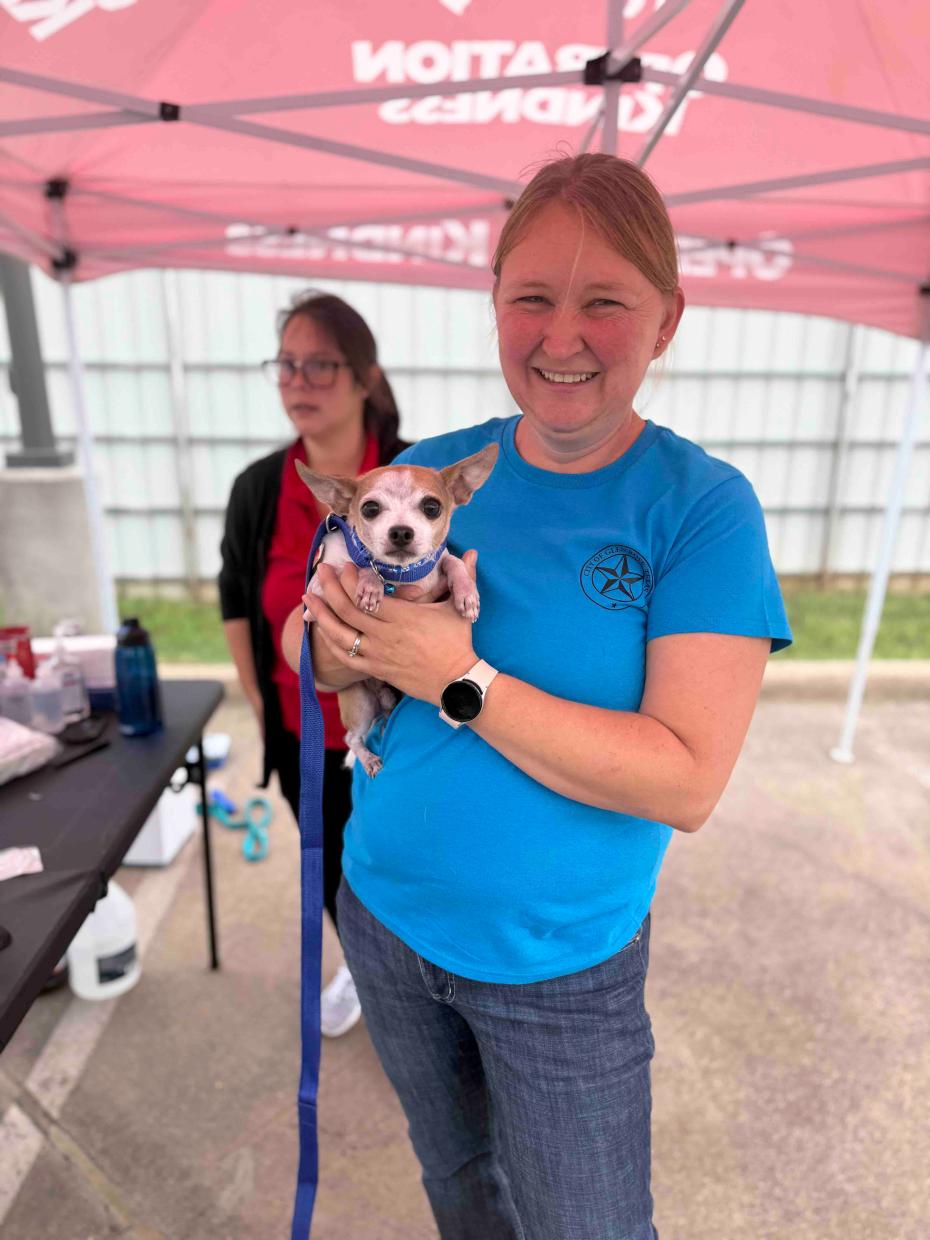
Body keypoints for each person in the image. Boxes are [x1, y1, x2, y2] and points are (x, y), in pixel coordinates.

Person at [283, 154, 792, 1239]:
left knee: (587, 1225)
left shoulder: (700, 509)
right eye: (531, 298)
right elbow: (316, 648)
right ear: (495, 305)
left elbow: (687, 778)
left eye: (605, 301)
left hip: (561, 965)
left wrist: (456, 677)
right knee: (462, 1187)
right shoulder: (427, 472)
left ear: (667, 319)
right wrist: (327, 643)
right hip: (383, 920)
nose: (561, 338)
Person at [218, 291, 408, 1038]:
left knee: (407, 879)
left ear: (365, 378)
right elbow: (238, 602)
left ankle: (419, 998)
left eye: (321, 365)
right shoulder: (260, 489)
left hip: (401, 737)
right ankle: (363, 971)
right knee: (335, 880)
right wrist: (264, 707)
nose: (299, 382)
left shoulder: (409, 481)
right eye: (287, 365)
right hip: (305, 733)